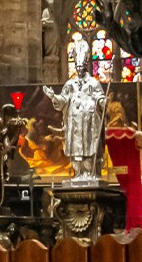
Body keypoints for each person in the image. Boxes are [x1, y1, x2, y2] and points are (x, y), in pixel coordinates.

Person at [45, 39, 108, 184]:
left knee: (89, 149)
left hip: (89, 124)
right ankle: (78, 173)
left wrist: (102, 102)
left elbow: (99, 96)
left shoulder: (93, 83)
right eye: (77, 67)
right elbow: (63, 100)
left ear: (86, 65)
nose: (79, 69)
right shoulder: (70, 84)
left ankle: (90, 174)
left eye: (82, 67)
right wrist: (53, 96)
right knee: (77, 151)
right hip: (75, 125)